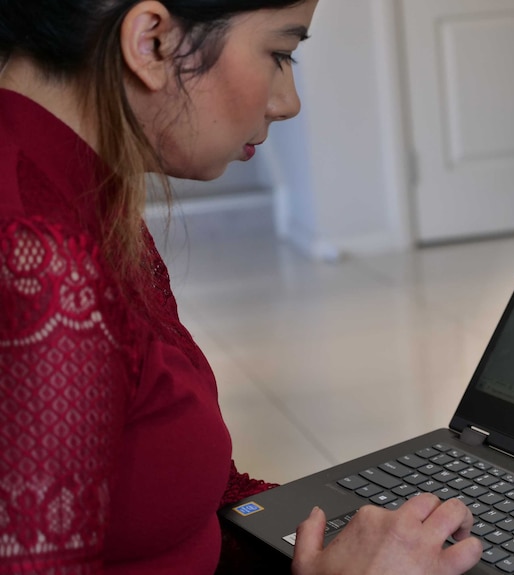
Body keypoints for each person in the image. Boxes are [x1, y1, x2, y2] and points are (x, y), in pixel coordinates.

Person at [0, 1, 483, 573]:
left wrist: (336, 534)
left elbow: (178, 496)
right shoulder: (39, 258)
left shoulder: (82, 196)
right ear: (151, 43)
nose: (288, 102)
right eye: (279, 53)